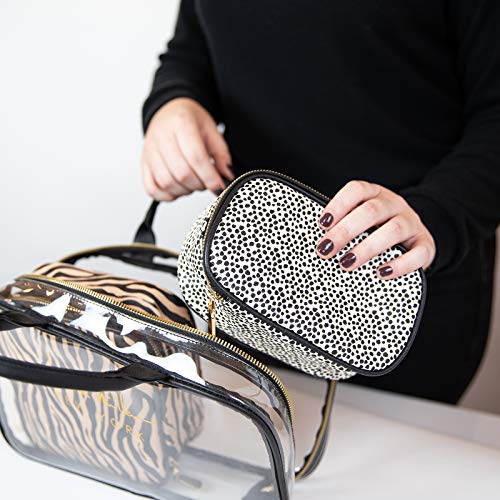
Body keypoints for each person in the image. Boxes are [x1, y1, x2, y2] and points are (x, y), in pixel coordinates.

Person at [141, 1, 500, 404]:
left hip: (389, 303)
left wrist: (438, 212)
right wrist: (174, 101)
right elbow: (193, 47)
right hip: (246, 279)